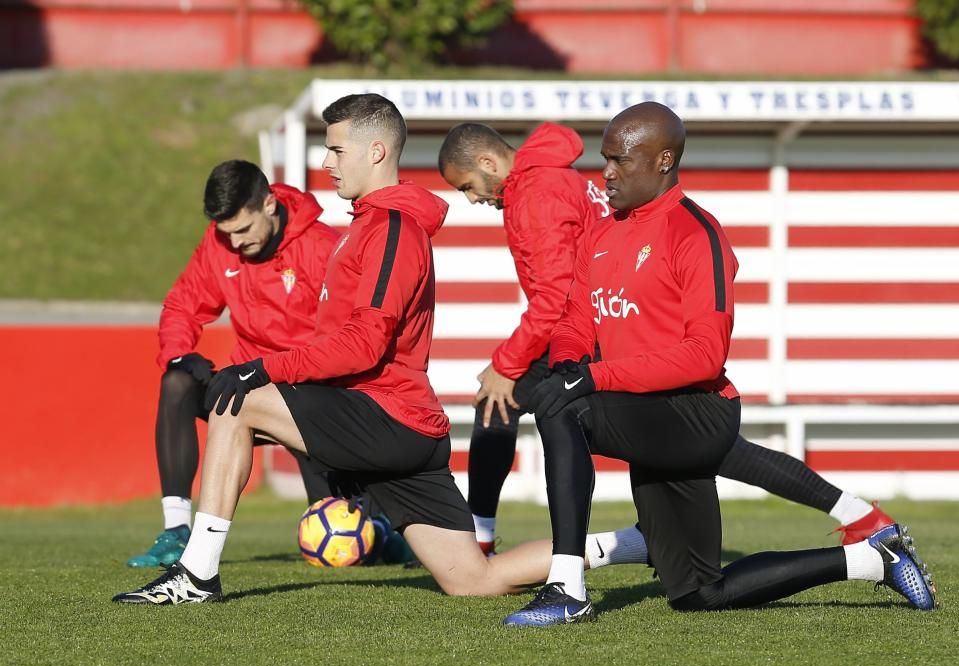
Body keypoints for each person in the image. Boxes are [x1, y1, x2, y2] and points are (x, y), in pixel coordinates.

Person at [111, 94, 626, 606]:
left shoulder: (392, 229)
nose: (327, 163)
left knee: (236, 402)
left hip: (386, 416)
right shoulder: (369, 223)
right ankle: (633, 543)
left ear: (376, 152)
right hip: (401, 424)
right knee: (474, 579)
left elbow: (364, 344)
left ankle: (197, 574)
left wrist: (263, 368)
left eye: (336, 150)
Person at [503, 102, 937, 626]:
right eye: (604, 159)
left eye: (620, 160)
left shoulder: (697, 234)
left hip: (697, 413)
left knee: (565, 409)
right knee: (699, 593)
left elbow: (705, 355)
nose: (607, 172)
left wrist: (590, 377)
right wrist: (570, 360)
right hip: (647, 415)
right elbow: (576, 317)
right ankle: (872, 560)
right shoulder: (601, 230)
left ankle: (567, 588)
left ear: (664, 160)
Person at [437, 122, 900, 560]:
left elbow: (556, 297)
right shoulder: (558, 178)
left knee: (503, 402)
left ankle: (501, 546)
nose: (472, 199)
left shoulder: (535, 195)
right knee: (717, 451)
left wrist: (507, 361)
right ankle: (859, 514)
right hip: (611, 320)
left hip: (597, 328)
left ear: (488, 162)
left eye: (467, 186)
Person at [127, 159, 340, 568]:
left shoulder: (322, 247)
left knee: (343, 538)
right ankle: (175, 532)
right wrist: (181, 354)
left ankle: (382, 529)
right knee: (177, 382)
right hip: (245, 390)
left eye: (243, 230)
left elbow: (348, 338)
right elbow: (182, 306)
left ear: (270, 205)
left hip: (311, 396)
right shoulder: (219, 242)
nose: (236, 243)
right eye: (227, 233)